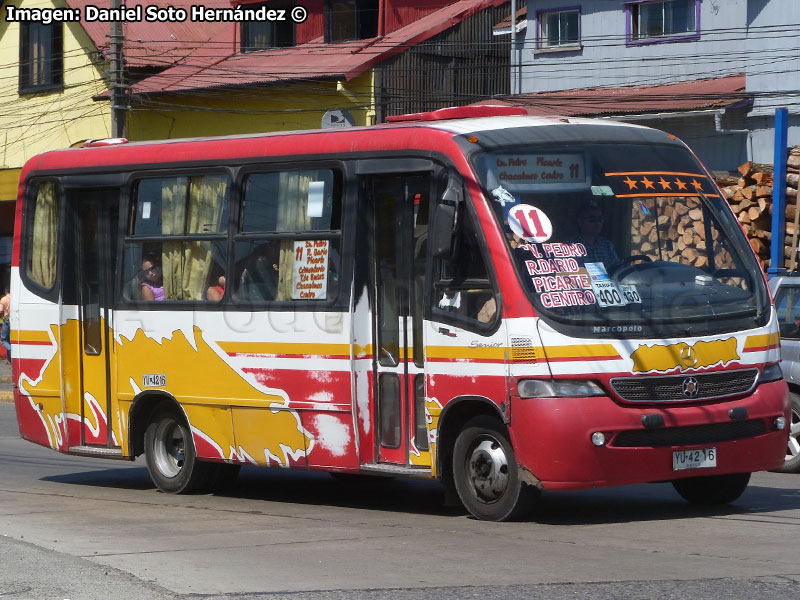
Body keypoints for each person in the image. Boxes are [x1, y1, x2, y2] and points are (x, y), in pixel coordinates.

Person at [568, 202, 620, 269]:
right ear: (580, 221)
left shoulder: (607, 245)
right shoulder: (569, 247)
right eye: (592, 220)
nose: (597, 223)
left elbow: (618, 269)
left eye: (600, 219)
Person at [0, 286, 10, 364]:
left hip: (6, 320)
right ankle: (9, 359)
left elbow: (0, 311)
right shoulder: (15, 298)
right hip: (15, 319)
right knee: (10, 339)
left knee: (3, 340)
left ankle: (12, 350)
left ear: (5, 292)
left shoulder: (3, 299)